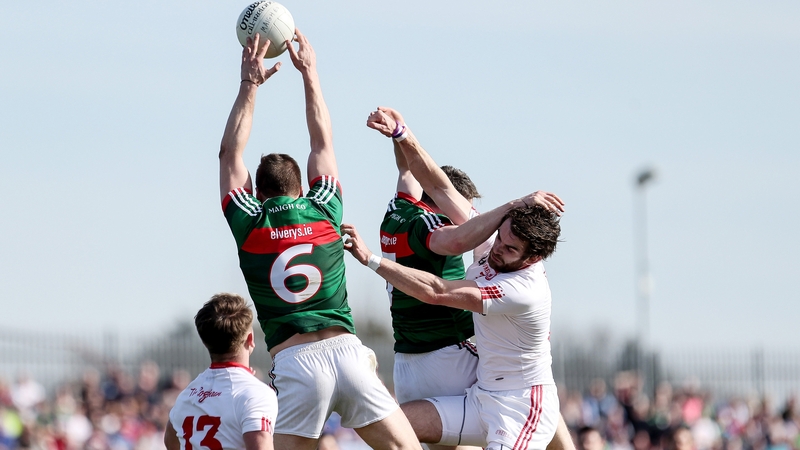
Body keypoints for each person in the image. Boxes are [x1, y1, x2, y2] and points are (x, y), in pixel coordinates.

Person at [218, 32, 422, 450]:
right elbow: (321, 142)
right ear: (302, 187)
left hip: (296, 363)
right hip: (346, 352)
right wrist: (309, 72)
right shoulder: (325, 207)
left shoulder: (249, 221)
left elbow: (229, 156)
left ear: (257, 193)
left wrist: (249, 84)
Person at [164, 293, 278, 450]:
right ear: (250, 339)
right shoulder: (255, 394)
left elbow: (171, 440)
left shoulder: (187, 395)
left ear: (205, 342)